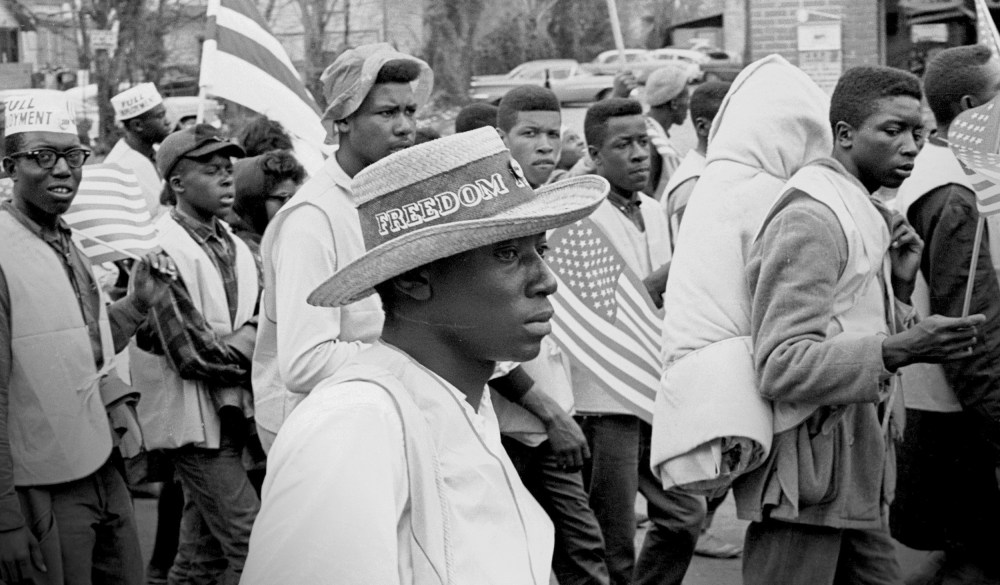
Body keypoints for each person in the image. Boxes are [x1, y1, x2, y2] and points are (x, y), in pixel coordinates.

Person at [241, 126, 610, 584]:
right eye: (509, 253)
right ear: (413, 280)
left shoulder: (461, 403)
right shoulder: (355, 424)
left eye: (542, 248)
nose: (546, 279)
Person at [739, 65, 986, 585]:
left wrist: (899, 288)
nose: (911, 147)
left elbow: (850, 325)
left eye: (919, 133)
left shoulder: (864, 211)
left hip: (858, 470)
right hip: (809, 480)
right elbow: (781, 363)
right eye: (892, 130)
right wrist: (899, 349)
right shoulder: (812, 218)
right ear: (845, 134)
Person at [0, 93, 175, 585]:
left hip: (102, 463)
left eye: (73, 157)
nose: (62, 170)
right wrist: (6, 518)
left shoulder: (66, 240)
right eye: (42, 156)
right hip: (41, 485)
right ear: (10, 165)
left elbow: (82, 351)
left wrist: (138, 304)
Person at [252, 43, 433, 452]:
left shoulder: (393, 196)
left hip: (378, 421)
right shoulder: (311, 219)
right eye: (387, 113)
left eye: (410, 111)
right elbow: (305, 364)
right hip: (318, 438)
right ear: (342, 121)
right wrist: (417, 357)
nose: (405, 127)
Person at [130, 124, 260, 585]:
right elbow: (193, 355)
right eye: (212, 170)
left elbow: (255, 320)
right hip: (192, 424)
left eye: (229, 169)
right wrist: (257, 349)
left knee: (200, 557)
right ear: (177, 184)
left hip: (229, 415)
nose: (227, 179)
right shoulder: (160, 246)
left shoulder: (234, 242)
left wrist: (248, 337)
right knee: (253, 542)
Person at [892, 44, 1000, 583]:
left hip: (930, 403)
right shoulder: (957, 193)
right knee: (971, 559)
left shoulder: (924, 168)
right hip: (960, 414)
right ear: (969, 106)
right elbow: (969, 330)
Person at [495, 84, 611, 585]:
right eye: (529, 133)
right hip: (516, 425)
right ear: (502, 140)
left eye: (553, 134)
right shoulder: (492, 219)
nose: (545, 145)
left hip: (560, 411)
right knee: (555, 554)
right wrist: (548, 411)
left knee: (580, 549)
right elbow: (487, 337)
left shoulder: (562, 206)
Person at [571, 98, 690, 585]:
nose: (640, 154)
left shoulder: (658, 211)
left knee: (684, 516)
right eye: (624, 145)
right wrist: (664, 279)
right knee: (613, 536)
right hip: (606, 398)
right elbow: (597, 314)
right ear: (595, 155)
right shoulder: (581, 217)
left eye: (644, 141)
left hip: (656, 388)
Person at [660, 81, 730, 248]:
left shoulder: (711, 170)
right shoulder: (693, 184)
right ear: (703, 127)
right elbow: (688, 256)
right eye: (731, 122)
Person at [107, 83, 172, 218]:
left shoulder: (158, 152)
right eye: (160, 116)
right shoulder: (117, 167)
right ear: (137, 125)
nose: (168, 122)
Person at [229, 149, 307, 251]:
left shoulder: (277, 242)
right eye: (282, 198)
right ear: (254, 201)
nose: (290, 206)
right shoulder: (242, 251)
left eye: (293, 198)